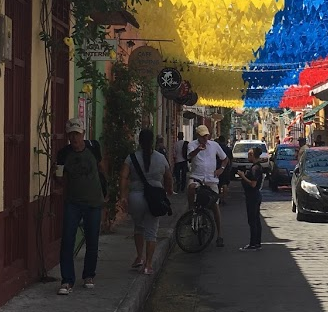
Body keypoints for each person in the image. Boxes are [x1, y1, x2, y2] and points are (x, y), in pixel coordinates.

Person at [55, 118, 106, 295]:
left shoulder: (93, 147)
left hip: (93, 203)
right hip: (73, 203)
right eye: (71, 135)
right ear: (68, 136)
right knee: (67, 240)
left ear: (83, 133)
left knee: (92, 240)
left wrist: (103, 192)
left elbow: (101, 167)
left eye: (77, 134)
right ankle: (67, 280)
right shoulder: (63, 154)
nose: (74, 138)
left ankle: (89, 275)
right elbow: (59, 177)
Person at [118, 128, 173, 275]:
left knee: (138, 228)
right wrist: (168, 192)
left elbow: (123, 177)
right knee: (151, 232)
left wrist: (123, 196)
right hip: (154, 199)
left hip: (135, 197)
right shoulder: (161, 158)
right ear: (153, 142)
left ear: (139, 141)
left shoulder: (131, 158)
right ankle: (148, 265)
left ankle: (139, 257)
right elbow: (168, 177)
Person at [186, 124, 227, 247]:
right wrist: (198, 149)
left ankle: (219, 235)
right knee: (191, 188)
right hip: (197, 177)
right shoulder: (192, 145)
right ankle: (191, 210)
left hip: (211, 180)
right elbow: (189, 157)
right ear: (198, 136)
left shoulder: (214, 145)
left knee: (215, 207)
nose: (205, 138)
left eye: (206, 136)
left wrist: (221, 169)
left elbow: (225, 159)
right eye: (202, 136)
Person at [238, 147, 264, 250]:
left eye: (249, 154)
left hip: (253, 195)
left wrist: (242, 176)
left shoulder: (255, 168)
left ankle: (253, 243)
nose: (248, 156)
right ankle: (257, 242)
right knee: (256, 219)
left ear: (253, 155)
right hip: (255, 195)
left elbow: (253, 184)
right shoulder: (256, 167)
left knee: (253, 220)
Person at [216, 136, 233, 203]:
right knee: (225, 184)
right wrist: (230, 167)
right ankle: (224, 199)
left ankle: (218, 198)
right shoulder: (228, 149)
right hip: (226, 168)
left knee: (218, 184)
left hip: (217, 167)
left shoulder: (217, 148)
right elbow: (231, 159)